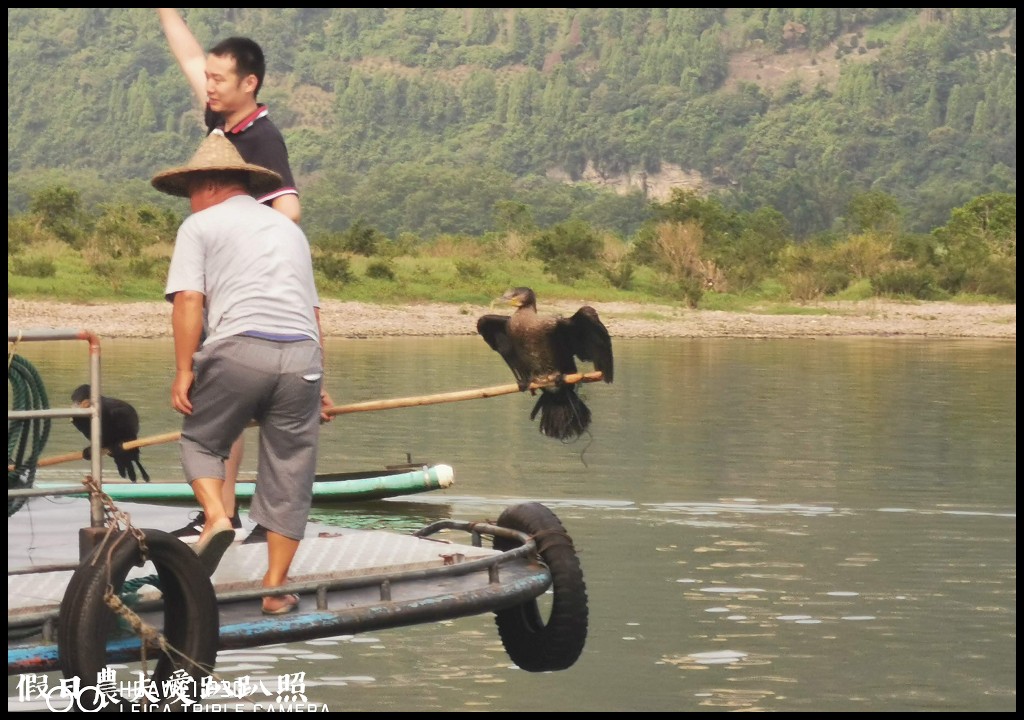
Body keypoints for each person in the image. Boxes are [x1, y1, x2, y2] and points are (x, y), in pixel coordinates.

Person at [153, 129, 332, 613]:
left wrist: (184, 372)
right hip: (302, 358)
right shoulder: (288, 229)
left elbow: (190, 302)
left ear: (210, 184)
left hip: (239, 349)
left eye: (191, 190)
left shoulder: (201, 226)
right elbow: (311, 314)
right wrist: (323, 388)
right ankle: (275, 588)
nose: (190, 201)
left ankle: (217, 517)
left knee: (201, 440)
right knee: (291, 471)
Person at [158, 9, 301, 538]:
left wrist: (240, 238)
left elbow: (289, 210)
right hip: (232, 281)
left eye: (219, 80)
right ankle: (227, 510)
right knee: (230, 404)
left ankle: (238, 511)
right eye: (210, 79)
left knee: (233, 403)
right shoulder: (223, 120)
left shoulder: (262, 139)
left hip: (248, 284)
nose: (208, 86)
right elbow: (190, 58)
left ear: (250, 83)